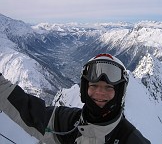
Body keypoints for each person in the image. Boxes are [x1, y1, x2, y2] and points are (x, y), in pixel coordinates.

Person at [0, 53, 151, 144]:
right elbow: (26, 109)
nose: (99, 93)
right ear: (85, 89)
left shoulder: (131, 139)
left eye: (108, 88)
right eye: (94, 86)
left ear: (119, 94)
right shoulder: (66, 123)